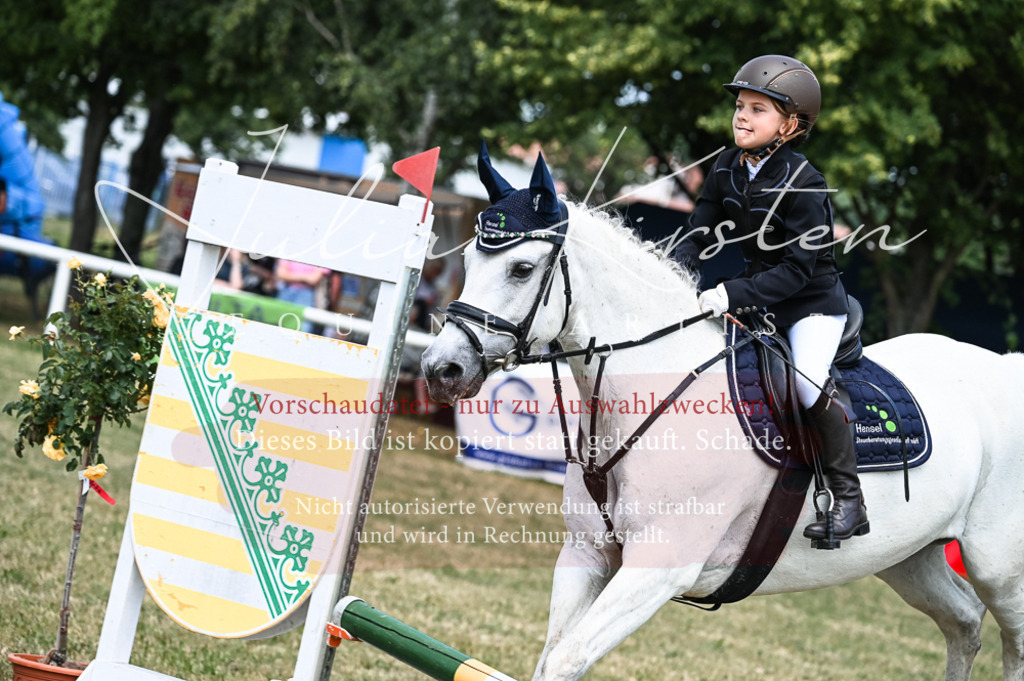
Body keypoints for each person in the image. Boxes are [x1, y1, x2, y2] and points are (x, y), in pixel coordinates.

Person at [673, 55, 868, 543]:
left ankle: (849, 499)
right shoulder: (726, 165)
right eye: (740, 105)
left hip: (812, 304)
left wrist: (730, 293)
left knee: (807, 385)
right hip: (757, 298)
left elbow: (800, 270)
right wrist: (671, 270)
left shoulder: (804, 180)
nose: (742, 116)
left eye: (758, 109)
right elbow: (700, 229)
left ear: (791, 123)